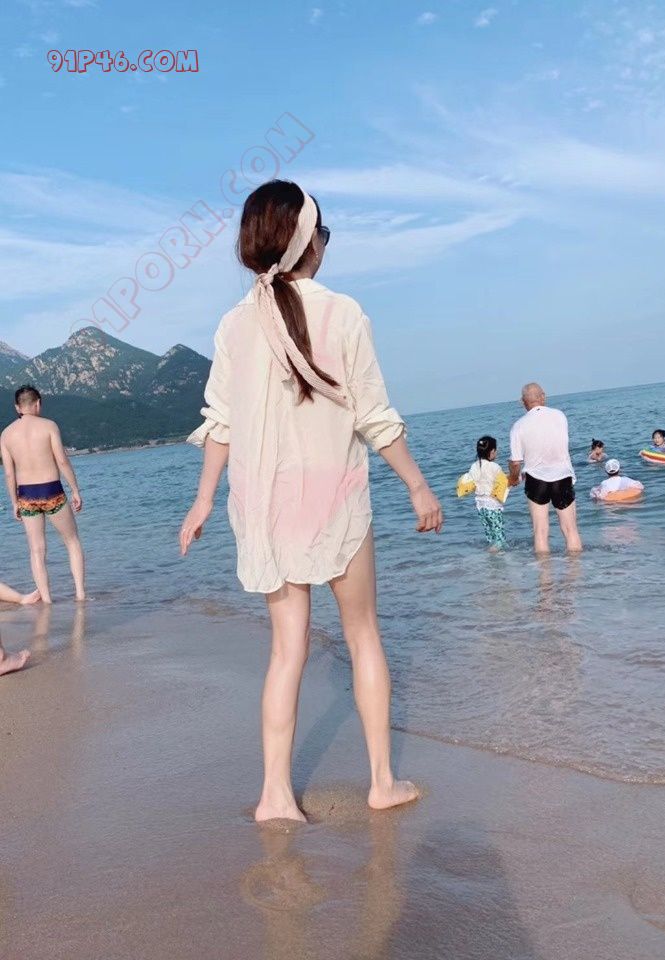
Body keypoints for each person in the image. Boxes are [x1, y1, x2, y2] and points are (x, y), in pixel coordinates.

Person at [179, 180, 442, 823]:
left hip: (265, 507)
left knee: (286, 650)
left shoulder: (234, 324)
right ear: (305, 241)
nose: (325, 244)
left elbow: (220, 422)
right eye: (322, 233)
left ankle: (275, 794)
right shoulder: (343, 313)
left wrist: (204, 500)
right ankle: (381, 782)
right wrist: (417, 484)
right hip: (336, 499)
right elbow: (374, 417)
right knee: (363, 634)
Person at [1, 385, 86, 603]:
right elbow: (62, 461)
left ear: (17, 407)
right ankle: (80, 595)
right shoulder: (49, 426)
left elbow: (9, 473)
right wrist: (75, 489)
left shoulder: (6, 434)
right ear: (38, 404)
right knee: (72, 541)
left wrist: (14, 502)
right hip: (51, 490)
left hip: (26, 495)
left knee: (37, 551)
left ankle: (46, 600)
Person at [508, 382, 582, 554]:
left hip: (535, 479)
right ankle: (575, 569)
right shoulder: (559, 416)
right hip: (562, 476)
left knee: (540, 532)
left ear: (522, 402)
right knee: (570, 530)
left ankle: (544, 571)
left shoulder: (518, 426)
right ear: (543, 397)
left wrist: (513, 478)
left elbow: (516, 462)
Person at [456, 435, 508, 550]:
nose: (496, 452)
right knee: (499, 536)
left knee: (490, 535)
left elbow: (469, 481)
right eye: (496, 450)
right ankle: (500, 555)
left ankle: (491, 556)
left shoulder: (474, 466)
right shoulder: (495, 467)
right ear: (492, 451)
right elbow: (503, 482)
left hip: (480, 506)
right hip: (492, 505)